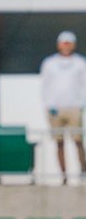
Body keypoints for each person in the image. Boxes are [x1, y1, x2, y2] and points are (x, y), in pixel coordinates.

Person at [39, 30, 86, 180]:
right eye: (64, 43)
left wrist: (81, 105)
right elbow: (45, 86)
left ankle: (83, 171)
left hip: (74, 108)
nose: (66, 46)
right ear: (59, 45)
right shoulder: (49, 63)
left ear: (73, 45)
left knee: (78, 141)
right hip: (55, 109)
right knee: (59, 142)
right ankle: (63, 175)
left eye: (69, 43)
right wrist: (48, 105)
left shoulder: (80, 63)